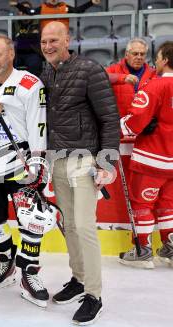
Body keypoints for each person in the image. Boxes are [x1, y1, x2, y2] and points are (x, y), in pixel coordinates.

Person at [40, 21, 120, 324]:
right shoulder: (47, 71)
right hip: (58, 160)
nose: (48, 46)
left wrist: (106, 163)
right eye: (44, 41)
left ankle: (94, 294)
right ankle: (78, 279)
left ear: (67, 40)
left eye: (54, 40)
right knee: (70, 225)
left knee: (85, 227)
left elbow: (109, 119)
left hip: (86, 161)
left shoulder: (89, 70)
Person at [0, 35, 50, 307]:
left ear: (11, 54)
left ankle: (30, 272)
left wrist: (38, 164)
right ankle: (6, 263)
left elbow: (39, 125)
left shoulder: (30, 84)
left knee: (31, 219)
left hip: (21, 163)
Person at [118, 41, 173, 269]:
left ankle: (142, 251)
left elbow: (136, 120)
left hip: (152, 156)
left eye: (158, 58)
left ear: (165, 60)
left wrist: (117, 128)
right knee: (168, 204)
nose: (156, 62)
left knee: (142, 203)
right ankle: (170, 248)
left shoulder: (156, 85)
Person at [106, 38, 157, 118]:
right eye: (135, 54)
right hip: (121, 123)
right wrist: (122, 78)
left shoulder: (153, 74)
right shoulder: (113, 69)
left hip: (144, 124)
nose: (139, 57)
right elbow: (101, 78)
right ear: (126, 54)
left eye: (142, 54)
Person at [14, 0, 101, 31]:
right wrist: (17, 5)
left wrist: (91, 2)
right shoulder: (42, 8)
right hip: (47, 39)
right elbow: (30, 11)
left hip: (62, 39)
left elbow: (77, 10)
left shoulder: (65, 7)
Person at [11, 1, 44, 76]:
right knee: (8, 61)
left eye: (25, 10)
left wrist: (20, 37)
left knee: (35, 63)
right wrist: (28, 37)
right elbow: (12, 40)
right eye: (21, 10)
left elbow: (36, 39)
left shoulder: (37, 22)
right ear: (18, 13)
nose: (23, 12)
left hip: (32, 52)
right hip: (17, 53)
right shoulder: (14, 23)